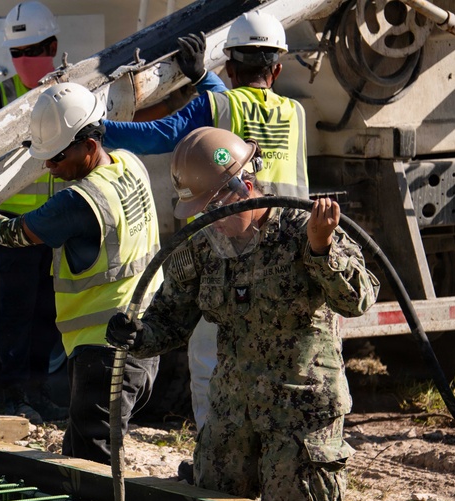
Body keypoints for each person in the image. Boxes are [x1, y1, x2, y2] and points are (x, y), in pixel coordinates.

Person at [105, 127, 378, 501]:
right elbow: (171, 317)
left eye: (215, 205)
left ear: (245, 184)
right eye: (201, 210)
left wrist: (322, 249)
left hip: (300, 417)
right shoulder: (202, 246)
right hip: (233, 415)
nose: (209, 219)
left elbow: (359, 299)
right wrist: (137, 335)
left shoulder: (305, 229)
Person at [0, 82, 161, 465]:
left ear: (89, 145)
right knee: (81, 453)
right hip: (143, 340)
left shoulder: (81, 200)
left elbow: (13, 233)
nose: (49, 167)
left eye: (56, 157)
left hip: (104, 349)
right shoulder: (129, 164)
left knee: (95, 466)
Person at [102, 11, 308, 435]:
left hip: (229, 254)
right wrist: (201, 80)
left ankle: (212, 458)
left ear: (228, 66)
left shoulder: (219, 103)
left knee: (209, 359)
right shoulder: (294, 113)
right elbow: (235, 108)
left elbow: (161, 133)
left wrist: (95, 129)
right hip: (288, 248)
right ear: (279, 68)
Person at [0, 1, 64, 423]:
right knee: (13, 316)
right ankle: (15, 395)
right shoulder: (0, 97)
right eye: (17, 54)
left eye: (32, 51)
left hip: (56, 230)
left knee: (48, 316)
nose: (24, 62)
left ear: (52, 45)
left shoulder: (69, 95)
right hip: (13, 231)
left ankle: (38, 391)